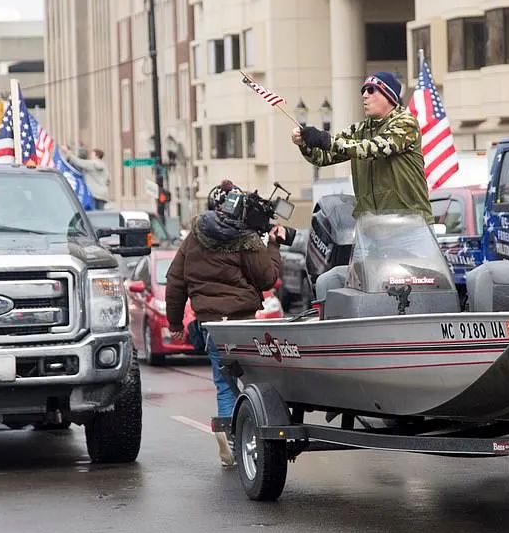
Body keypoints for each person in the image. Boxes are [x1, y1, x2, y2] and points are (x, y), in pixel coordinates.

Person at [165, 180, 285, 467]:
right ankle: (244, 432)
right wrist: (274, 247)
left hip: (211, 325)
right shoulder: (246, 238)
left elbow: (175, 280)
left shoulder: (194, 236)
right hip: (242, 323)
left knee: (224, 383)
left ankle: (229, 436)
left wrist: (175, 322)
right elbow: (267, 278)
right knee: (254, 381)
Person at [294, 72, 434, 298]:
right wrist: (306, 144)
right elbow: (323, 158)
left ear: (389, 95)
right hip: (371, 229)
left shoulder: (405, 123)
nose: (364, 96)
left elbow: (375, 148)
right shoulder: (359, 130)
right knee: (367, 292)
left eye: (371, 90)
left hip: (410, 226)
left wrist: (327, 140)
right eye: (362, 91)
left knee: (421, 290)